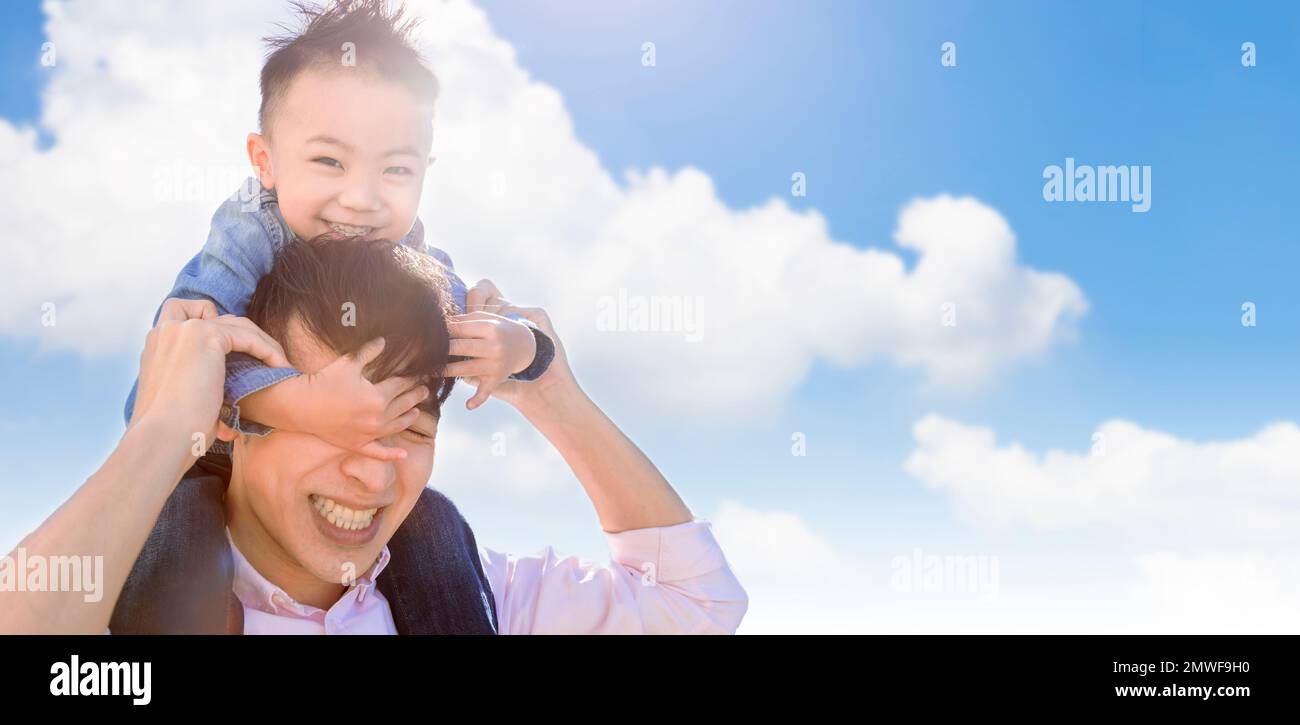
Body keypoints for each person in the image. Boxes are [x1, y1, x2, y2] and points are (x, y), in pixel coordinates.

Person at [0, 237, 749, 634]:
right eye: (333, 425)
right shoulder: (123, 604)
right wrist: (163, 430)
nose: (373, 475)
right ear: (231, 414)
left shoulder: (474, 598)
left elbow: (697, 606)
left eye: (410, 427)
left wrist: (551, 390)